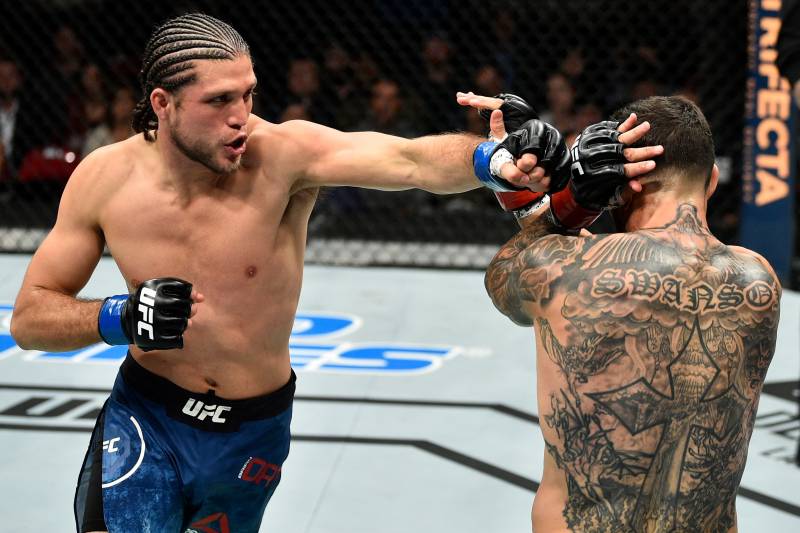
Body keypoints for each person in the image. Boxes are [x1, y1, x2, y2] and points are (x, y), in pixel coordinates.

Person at [8, 13, 584, 533]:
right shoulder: (104, 178)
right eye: (218, 102)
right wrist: (121, 316)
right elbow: (32, 317)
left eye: (249, 95)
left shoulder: (282, 155)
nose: (241, 119)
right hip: (146, 419)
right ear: (163, 104)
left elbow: (409, 161)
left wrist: (494, 160)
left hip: (251, 430)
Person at [474, 94, 782, 532]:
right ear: (711, 180)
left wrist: (572, 198)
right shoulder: (759, 280)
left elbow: (503, 281)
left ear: (623, 184)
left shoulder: (564, 269)